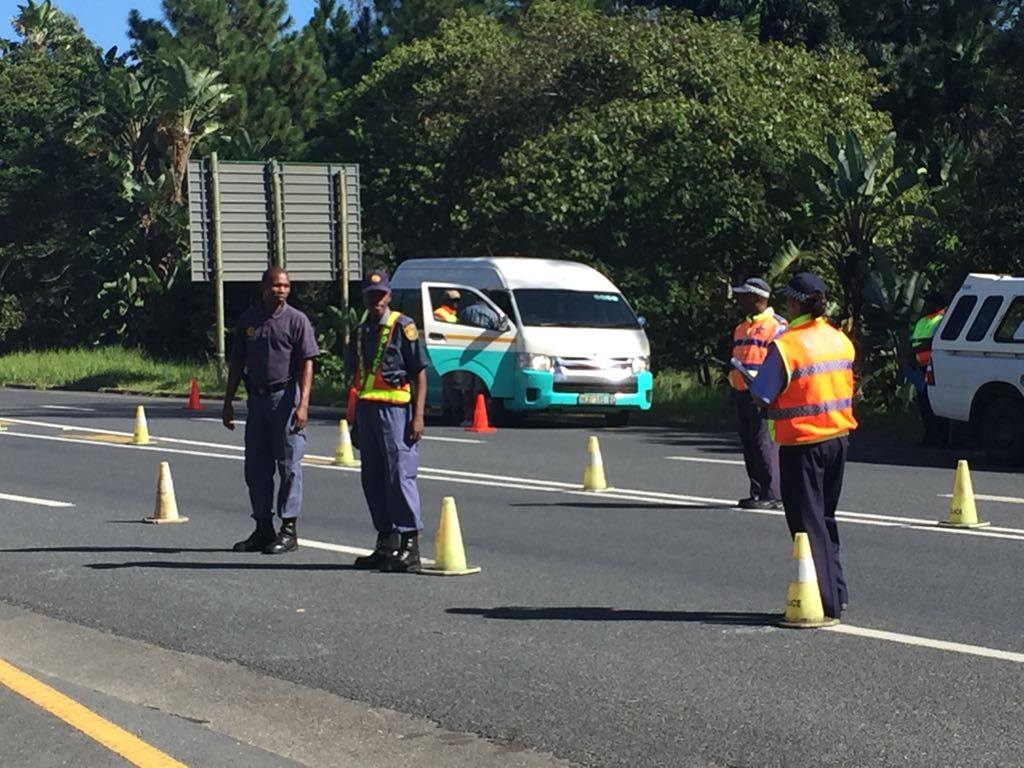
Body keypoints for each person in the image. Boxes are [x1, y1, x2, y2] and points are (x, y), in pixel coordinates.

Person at [749, 272, 857, 620]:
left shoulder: (787, 345)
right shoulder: (840, 339)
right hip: (838, 439)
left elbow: (762, 393)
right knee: (825, 519)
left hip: (802, 443)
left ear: (795, 302)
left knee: (805, 525)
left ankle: (822, 602)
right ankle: (836, 593)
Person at [223, 266, 318, 555]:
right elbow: (238, 362)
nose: (282, 290)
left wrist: (302, 405)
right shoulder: (249, 320)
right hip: (257, 401)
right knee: (256, 467)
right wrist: (228, 401)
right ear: (264, 287)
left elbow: (307, 363)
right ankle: (263, 527)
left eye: (286, 286)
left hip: (285, 398)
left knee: (289, 466)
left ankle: (288, 529)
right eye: (277, 286)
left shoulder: (296, 320)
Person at [349, 269, 429, 573]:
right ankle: (387, 542)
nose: (376, 300)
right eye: (371, 295)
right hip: (368, 410)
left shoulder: (403, 326)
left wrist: (419, 416)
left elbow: (419, 373)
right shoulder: (363, 329)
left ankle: (411, 545)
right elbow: (358, 378)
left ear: (389, 295)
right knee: (373, 477)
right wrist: (355, 420)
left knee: (399, 475)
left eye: (381, 294)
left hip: (396, 411)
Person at [728, 277, 786, 510]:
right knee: (749, 443)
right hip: (742, 393)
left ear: (758, 298)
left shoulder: (777, 326)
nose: (740, 300)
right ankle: (757, 492)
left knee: (765, 444)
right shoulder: (741, 327)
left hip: (764, 396)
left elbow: (782, 363)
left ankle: (772, 494)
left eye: (744, 296)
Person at [909, 292, 948, 446]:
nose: (927, 305)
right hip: (919, 367)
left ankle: (940, 437)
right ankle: (929, 436)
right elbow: (914, 341)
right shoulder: (923, 321)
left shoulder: (943, 319)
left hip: (934, 366)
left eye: (930, 302)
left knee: (934, 403)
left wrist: (914, 352)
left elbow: (934, 342)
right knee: (923, 404)